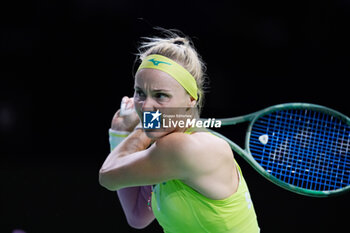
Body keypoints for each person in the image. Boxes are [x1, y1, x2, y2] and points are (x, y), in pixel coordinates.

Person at [99, 30, 260, 233]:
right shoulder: (168, 150)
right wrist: (122, 131)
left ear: (191, 100)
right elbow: (137, 214)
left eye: (161, 95)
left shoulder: (183, 148)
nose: (146, 106)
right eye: (140, 92)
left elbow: (107, 175)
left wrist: (137, 129)